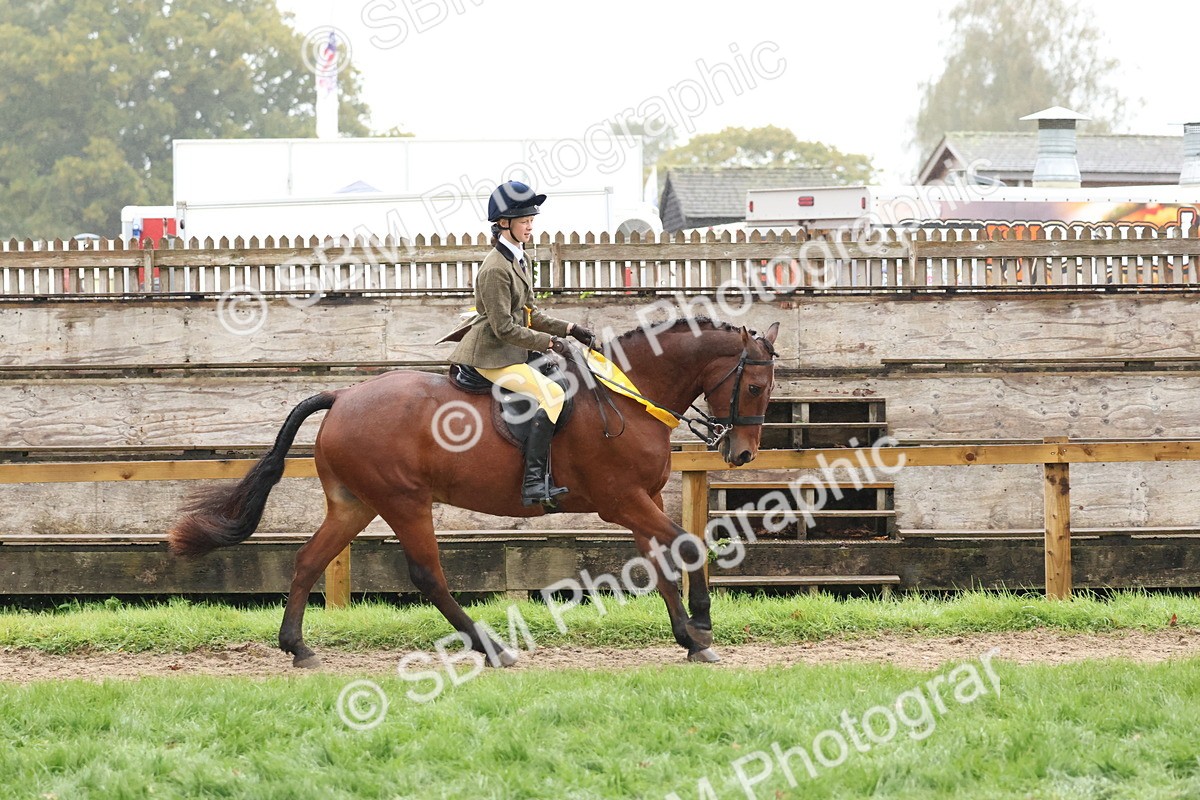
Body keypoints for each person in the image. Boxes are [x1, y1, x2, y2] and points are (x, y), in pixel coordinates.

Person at [448, 180, 594, 508]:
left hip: (513, 349)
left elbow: (531, 313)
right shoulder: (495, 270)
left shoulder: (519, 258)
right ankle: (533, 484)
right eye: (524, 220)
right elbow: (503, 328)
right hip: (492, 355)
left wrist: (570, 328)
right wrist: (549, 342)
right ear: (503, 223)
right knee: (553, 394)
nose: (530, 225)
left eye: (532, 219)